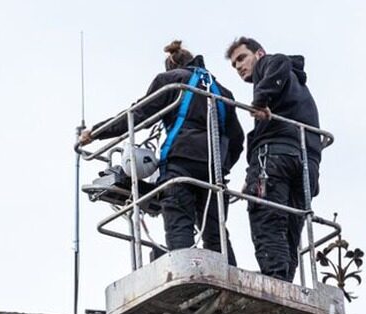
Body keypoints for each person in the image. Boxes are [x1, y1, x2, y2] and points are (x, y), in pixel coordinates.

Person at [80, 41, 244, 264]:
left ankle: (185, 273)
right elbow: (237, 140)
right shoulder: (223, 93)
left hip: (180, 163)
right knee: (216, 234)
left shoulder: (171, 80)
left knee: (179, 224)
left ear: (171, 64)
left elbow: (138, 115)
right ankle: (228, 274)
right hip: (214, 171)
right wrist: (221, 166)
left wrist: (96, 132)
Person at [226, 36, 323, 281]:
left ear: (258, 53)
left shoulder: (271, 63)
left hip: (276, 155)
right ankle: (285, 282)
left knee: (266, 216)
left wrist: (259, 101)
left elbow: (278, 64)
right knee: (290, 228)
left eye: (242, 58)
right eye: (235, 65)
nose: (239, 67)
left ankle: (275, 278)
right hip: (305, 163)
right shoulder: (294, 89)